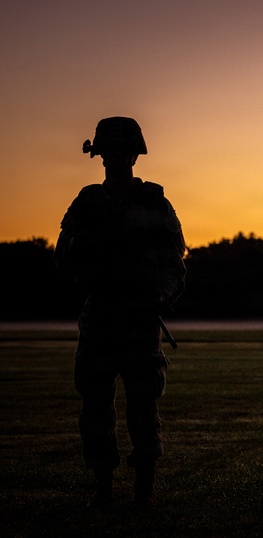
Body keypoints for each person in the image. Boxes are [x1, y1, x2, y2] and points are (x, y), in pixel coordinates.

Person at [55, 116, 187, 506]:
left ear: (135, 154)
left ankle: (144, 485)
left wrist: (160, 297)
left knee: (143, 407)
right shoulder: (87, 202)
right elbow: (63, 258)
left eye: (122, 151)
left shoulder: (153, 202)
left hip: (140, 318)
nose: (115, 157)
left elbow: (174, 262)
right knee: (95, 406)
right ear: (99, 154)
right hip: (99, 316)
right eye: (108, 151)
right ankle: (103, 485)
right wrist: (86, 255)